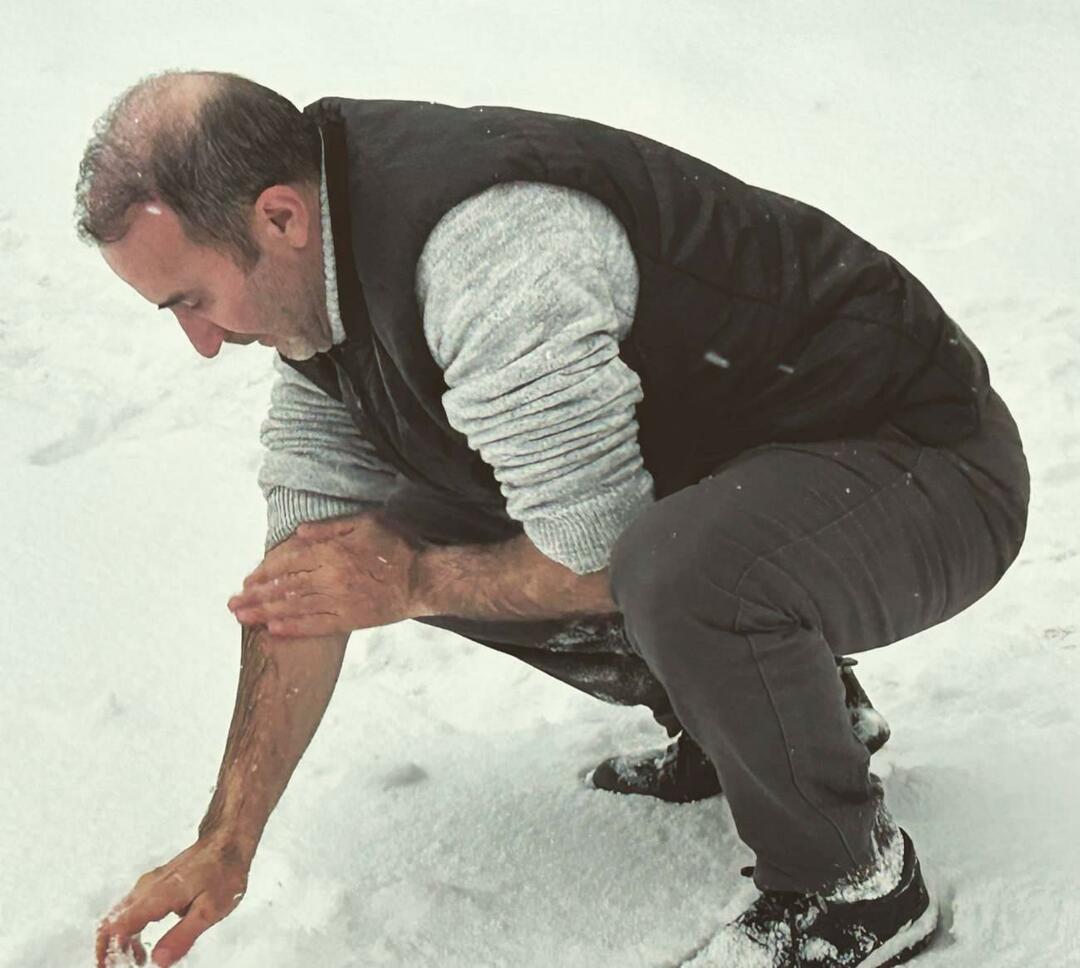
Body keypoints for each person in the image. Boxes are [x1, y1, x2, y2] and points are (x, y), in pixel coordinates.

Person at [79, 70, 1029, 968]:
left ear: (277, 216)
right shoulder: (311, 284)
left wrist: (410, 583)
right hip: (762, 476)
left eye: (193, 300)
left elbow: (597, 557)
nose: (200, 343)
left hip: (926, 468)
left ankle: (854, 887)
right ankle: (776, 718)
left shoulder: (485, 253)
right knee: (379, 551)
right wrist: (226, 840)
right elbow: (307, 577)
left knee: (656, 567)